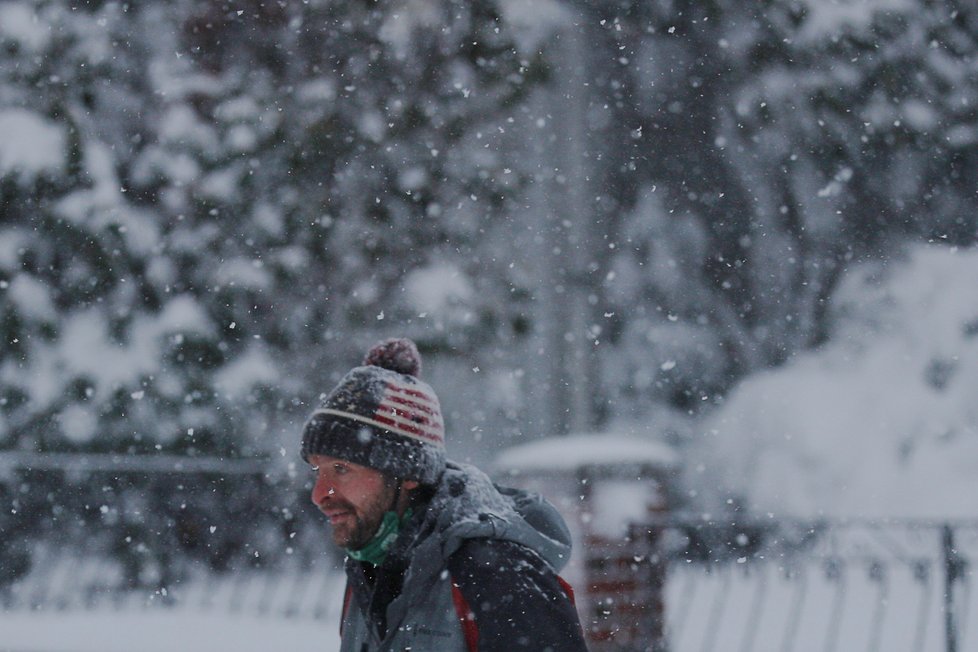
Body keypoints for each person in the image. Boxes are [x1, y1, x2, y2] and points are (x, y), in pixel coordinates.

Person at [301, 337, 588, 651]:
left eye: (342, 468)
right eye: (318, 470)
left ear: (408, 474)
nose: (319, 494)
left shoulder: (496, 577)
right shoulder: (369, 567)